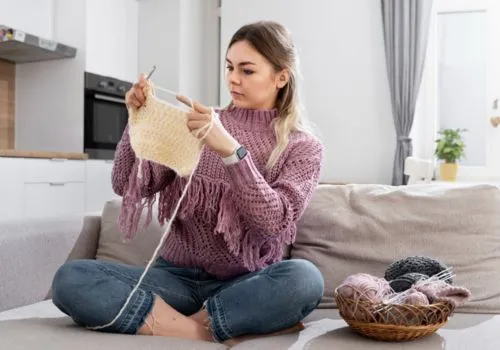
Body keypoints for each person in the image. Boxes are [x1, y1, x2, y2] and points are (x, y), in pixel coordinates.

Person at [51, 20, 325, 345]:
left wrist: (231, 152)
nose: (233, 79)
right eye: (229, 67)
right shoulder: (197, 123)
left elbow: (273, 221)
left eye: (247, 70)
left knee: (305, 279)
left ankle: (174, 321)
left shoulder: (303, 147)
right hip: (174, 279)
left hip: (245, 284)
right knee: (71, 278)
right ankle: (203, 330)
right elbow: (126, 184)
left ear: (281, 76)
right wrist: (135, 121)